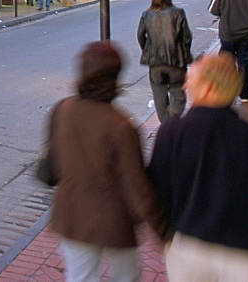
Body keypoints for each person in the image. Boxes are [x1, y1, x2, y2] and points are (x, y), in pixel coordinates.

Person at [148, 53, 248, 280]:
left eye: (191, 79)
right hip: (245, 250)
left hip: (187, 247)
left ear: (209, 87)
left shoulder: (172, 135)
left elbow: (156, 191)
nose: (185, 84)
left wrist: (170, 228)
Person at [46, 41, 164, 281]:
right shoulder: (120, 126)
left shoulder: (63, 109)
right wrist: (163, 230)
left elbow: (54, 165)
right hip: (114, 220)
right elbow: (136, 187)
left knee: (79, 276)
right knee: (126, 275)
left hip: (72, 215)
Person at [137, 0, 192, 122]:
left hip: (155, 61)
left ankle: (166, 123)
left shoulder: (146, 14)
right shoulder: (178, 13)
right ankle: (172, 118)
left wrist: (148, 50)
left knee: (159, 93)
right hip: (176, 60)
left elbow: (140, 36)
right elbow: (186, 37)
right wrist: (184, 52)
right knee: (178, 92)